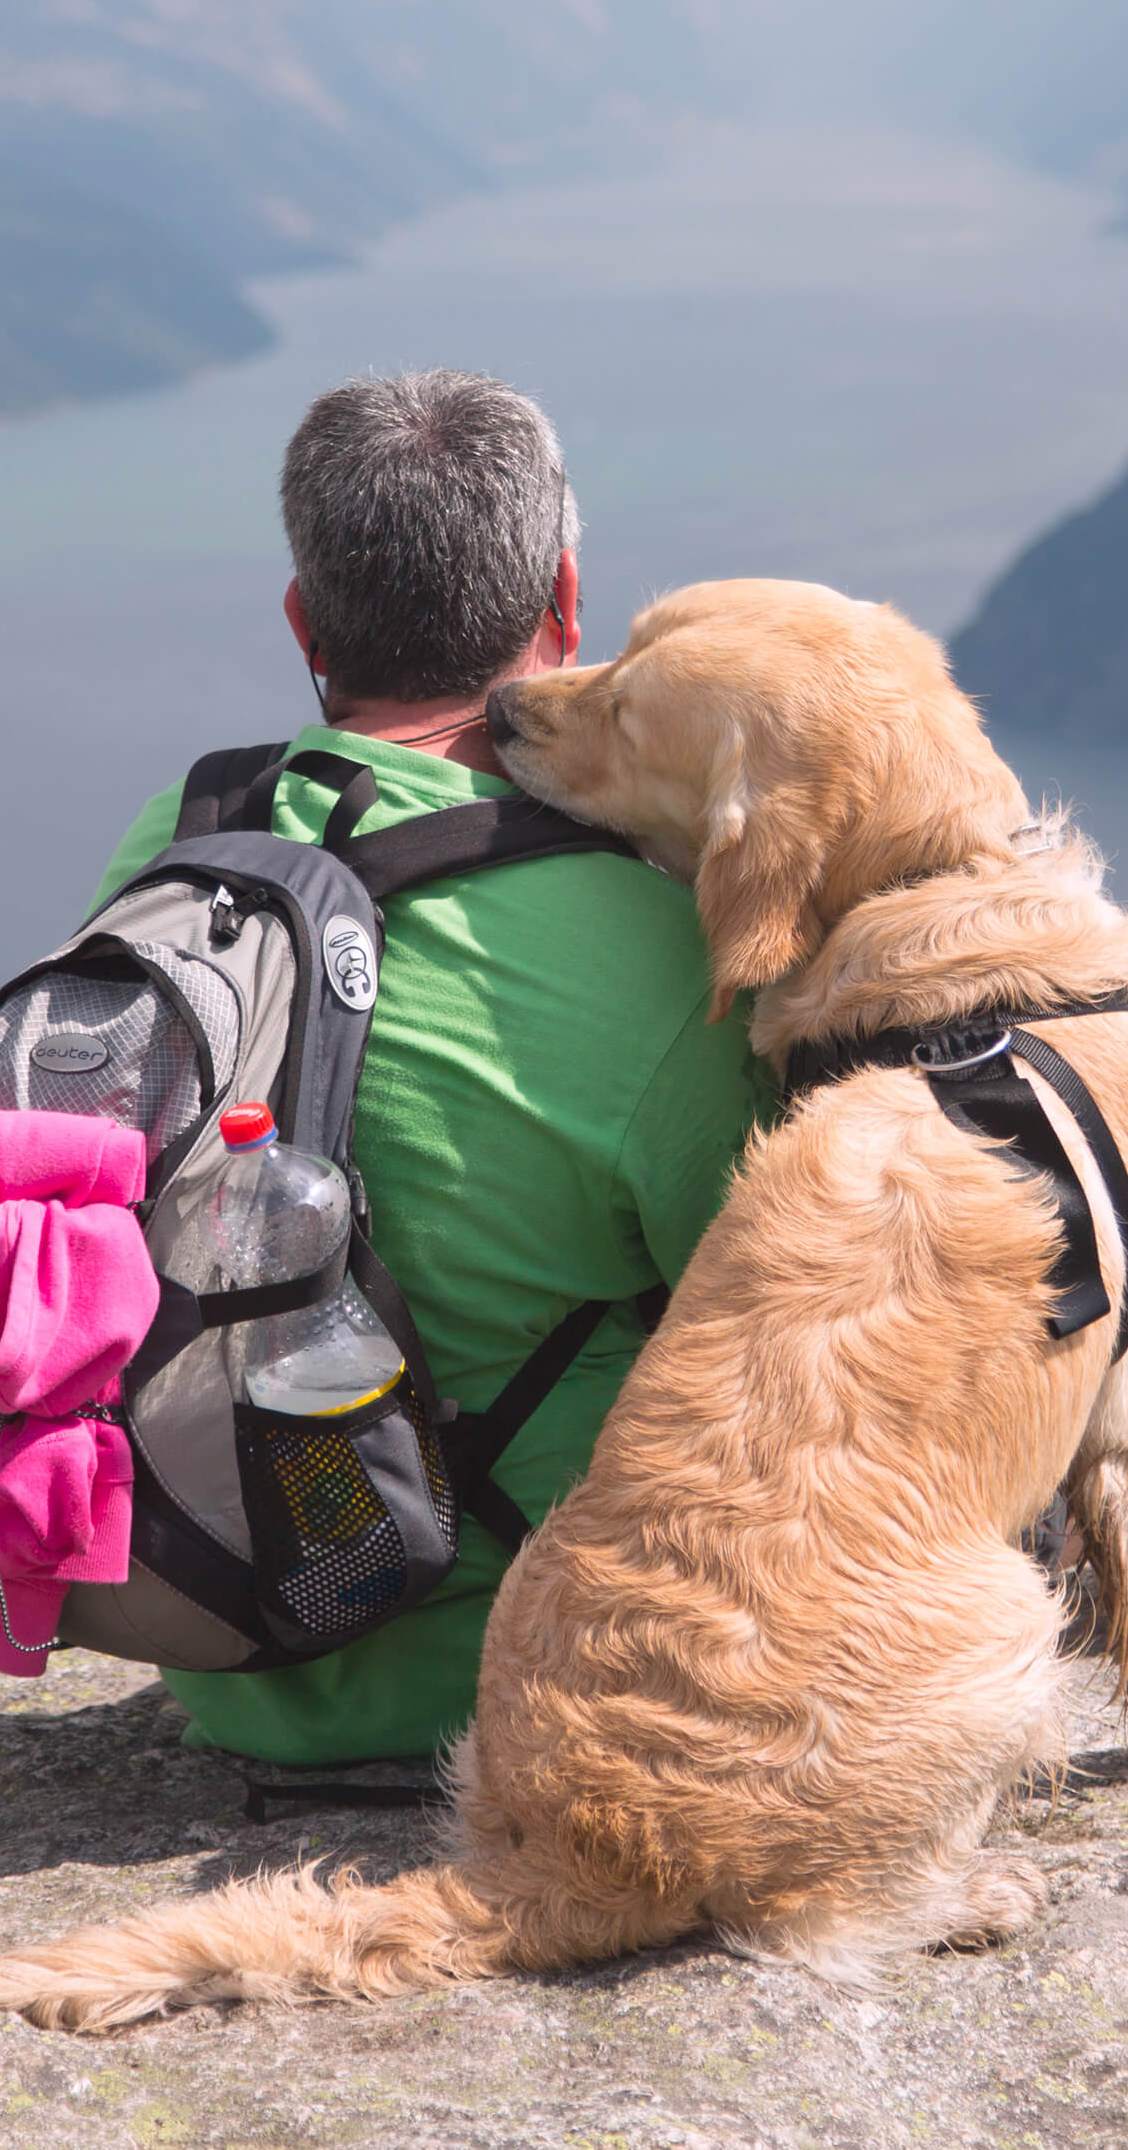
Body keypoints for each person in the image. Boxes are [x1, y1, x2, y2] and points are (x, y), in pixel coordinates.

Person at [94, 369, 779, 1765]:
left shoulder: (183, 837)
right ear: (567, 600)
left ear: (305, 623)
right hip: (551, 1682)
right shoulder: (659, 936)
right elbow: (789, 1353)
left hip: (225, 1642)